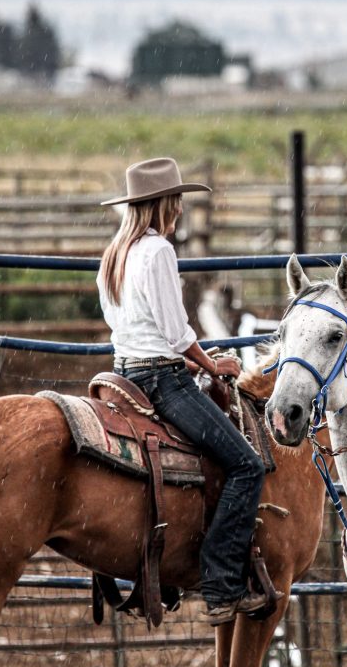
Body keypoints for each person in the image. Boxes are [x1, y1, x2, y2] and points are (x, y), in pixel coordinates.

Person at [98, 157, 277, 626]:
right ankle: (220, 583)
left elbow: (117, 322)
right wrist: (211, 363)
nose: (178, 210)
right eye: (175, 201)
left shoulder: (116, 252)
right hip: (162, 379)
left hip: (124, 374)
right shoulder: (157, 252)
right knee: (245, 464)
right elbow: (175, 332)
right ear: (163, 205)